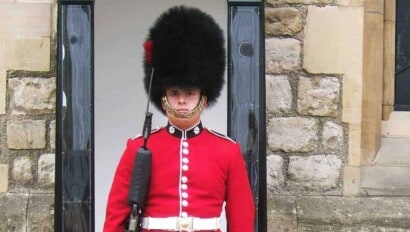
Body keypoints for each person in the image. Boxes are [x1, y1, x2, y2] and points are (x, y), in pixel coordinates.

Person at [103, 5, 255, 232]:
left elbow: (241, 220)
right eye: (174, 93)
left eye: (190, 93)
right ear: (163, 96)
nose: (182, 101)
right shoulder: (138, 147)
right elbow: (115, 219)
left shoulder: (227, 151)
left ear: (203, 97)